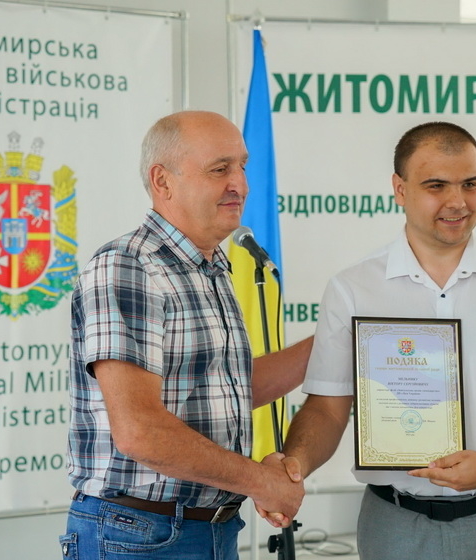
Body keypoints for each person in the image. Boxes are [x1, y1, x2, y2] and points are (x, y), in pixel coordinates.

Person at [276, 121, 476, 559]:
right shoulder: (354, 289)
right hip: (395, 524)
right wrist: (293, 467)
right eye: (436, 185)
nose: (457, 202)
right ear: (400, 190)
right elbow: (327, 408)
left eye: (470, 184)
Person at [61, 110, 312, 560]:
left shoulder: (212, 266)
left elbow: (227, 390)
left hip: (210, 530)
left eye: (242, 167)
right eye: (220, 169)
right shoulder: (130, 266)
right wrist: (261, 481)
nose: (241, 185)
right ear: (163, 181)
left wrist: (337, 339)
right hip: (140, 537)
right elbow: (140, 432)